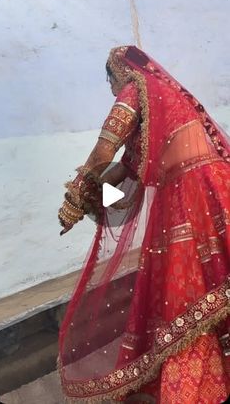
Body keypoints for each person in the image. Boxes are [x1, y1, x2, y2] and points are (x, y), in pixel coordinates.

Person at [57, 46, 230, 403]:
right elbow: (125, 169)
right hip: (218, 190)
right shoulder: (159, 108)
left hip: (191, 199)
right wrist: (92, 199)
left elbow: (104, 151)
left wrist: (74, 198)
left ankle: (193, 387)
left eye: (108, 83)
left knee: (186, 295)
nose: (110, 92)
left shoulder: (133, 91)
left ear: (116, 73)